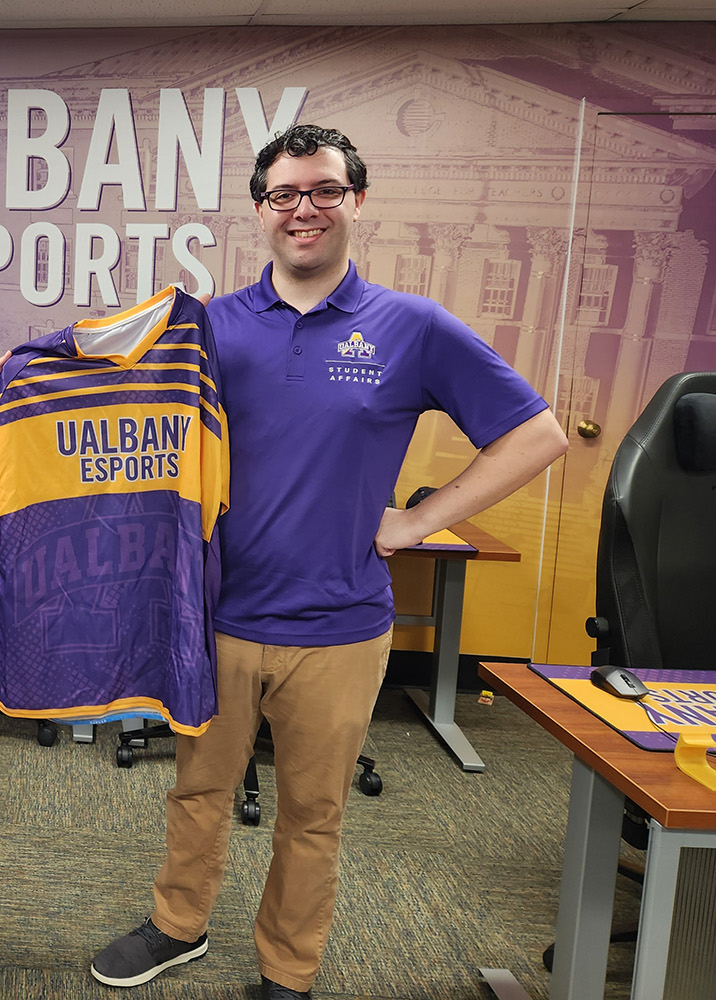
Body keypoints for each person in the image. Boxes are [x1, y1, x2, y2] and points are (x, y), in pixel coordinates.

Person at [89, 125, 569, 1000]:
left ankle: (289, 968)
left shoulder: (410, 327)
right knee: (197, 795)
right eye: (283, 194)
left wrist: (420, 521)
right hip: (218, 619)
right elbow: (101, 393)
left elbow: (536, 434)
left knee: (313, 818)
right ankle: (177, 924)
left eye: (322, 191)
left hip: (341, 627)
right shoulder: (208, 326)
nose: (302, 209)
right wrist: (22, 373)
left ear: (355, 202)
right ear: (261, 211)